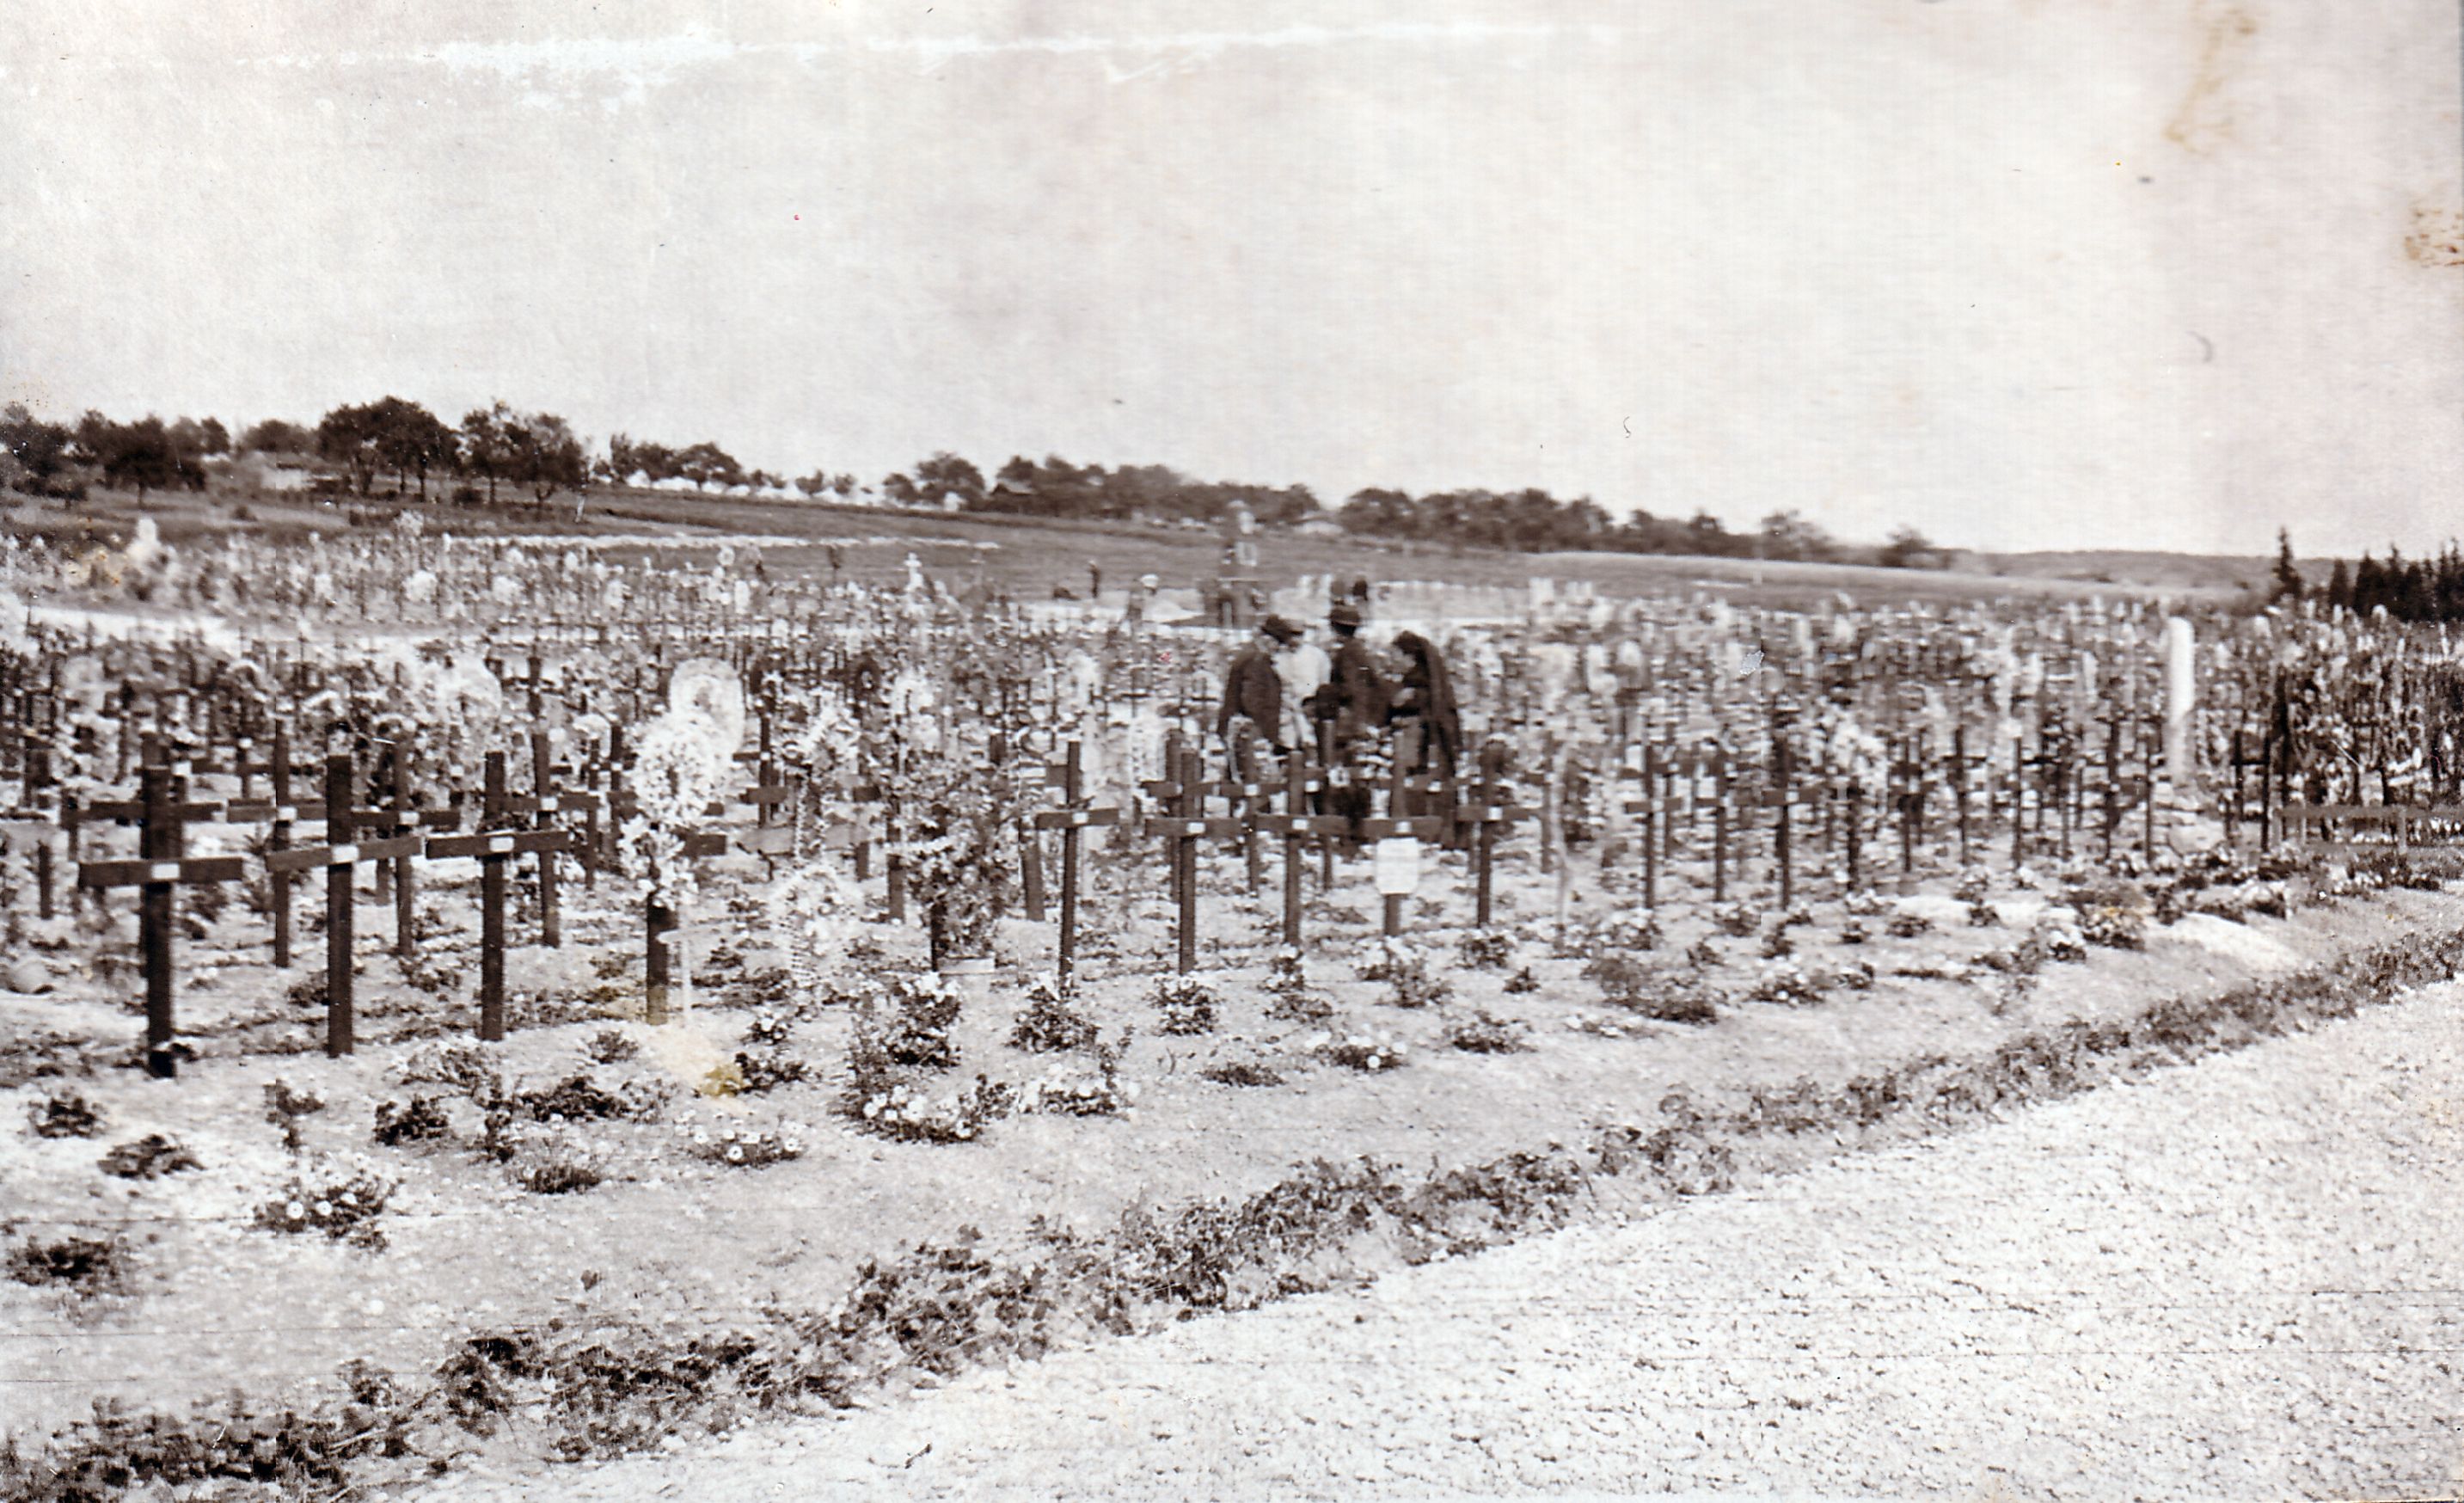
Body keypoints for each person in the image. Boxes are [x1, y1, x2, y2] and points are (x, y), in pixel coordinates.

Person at [1217, 615, 1302, 759]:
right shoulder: (1257, 660)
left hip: (1247, 730)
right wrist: (1260, 734)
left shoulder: (1250, 655)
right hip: (1252, 732)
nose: (1277, 650)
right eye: (1278, 644)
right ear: (1268, 640)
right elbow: (1251, 700)